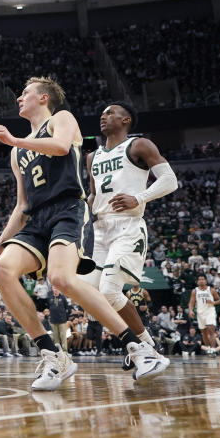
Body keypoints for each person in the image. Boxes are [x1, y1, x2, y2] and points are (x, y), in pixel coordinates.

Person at [0, 77, 167, 390]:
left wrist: (14, 140)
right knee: (2, 270)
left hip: (69, 210)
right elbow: (22, 204)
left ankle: (140, 348)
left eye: (25, 93)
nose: (19, 98)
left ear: (43, 98)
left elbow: (60, 147)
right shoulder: (17, 154)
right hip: (38, 219)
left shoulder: (61, 119)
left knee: (62, 279)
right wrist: (0, 241)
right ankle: (54, 355)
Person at [85, 102, 177, 371]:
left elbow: (170, 180)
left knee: (109, 291)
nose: (104, 116)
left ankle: (146, 348)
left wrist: (139, 197)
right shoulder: (92, 157)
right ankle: (142, 348)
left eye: (110, 112)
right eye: (101, 113)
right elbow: (94, 194)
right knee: (90, 296)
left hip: (127, 225)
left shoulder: (139, 145)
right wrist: (84, 211)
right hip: (99, 229)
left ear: (126, 120)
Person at [189, 275, 220, 356]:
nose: (201, 281)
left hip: (210, 311)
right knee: (204, 332)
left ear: (206, 281)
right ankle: (208, 348)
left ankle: (213, 349)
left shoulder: (211, 289)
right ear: (197, 281)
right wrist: (191, 311)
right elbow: (191, 302)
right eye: (199, 279)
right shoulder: (195, 291)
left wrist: (213, 302)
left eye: (203, 279)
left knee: (211, 329)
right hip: (200, 313)